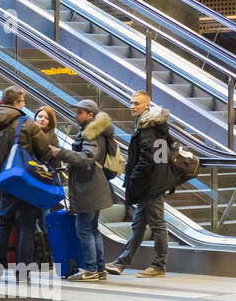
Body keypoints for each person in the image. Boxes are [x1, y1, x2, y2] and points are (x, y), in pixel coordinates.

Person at [0, 86, 54, 268]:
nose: (24, 104)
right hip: (24, 181)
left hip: (4, 180)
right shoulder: (26, 123)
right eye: (23, 101)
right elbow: (45, 152)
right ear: (16, 103)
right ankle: (23, 272)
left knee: (4, 224)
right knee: (27, 226)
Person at [49, 99, 116, 282]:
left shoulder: (91, 133)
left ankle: (91, 269)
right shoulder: (97, 131)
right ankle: (100, 268)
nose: (76, 115)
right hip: (95, 185)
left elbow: (87, 158)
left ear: (90, 115)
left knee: (84, 229)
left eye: (80, 112)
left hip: (89, 187)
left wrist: (60, 153)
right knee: (92, 229)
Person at [106, 91, 171, 278]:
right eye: (131, 103)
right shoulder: (154, 126)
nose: (132, 106)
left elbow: (147, 160)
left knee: (158, 225)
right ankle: (121, 263)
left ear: (147, 106)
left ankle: (159, 266)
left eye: (136, 103)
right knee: (138, 225)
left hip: (151, 185)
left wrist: (134, 179)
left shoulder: (149, 128)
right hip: (152, 183)